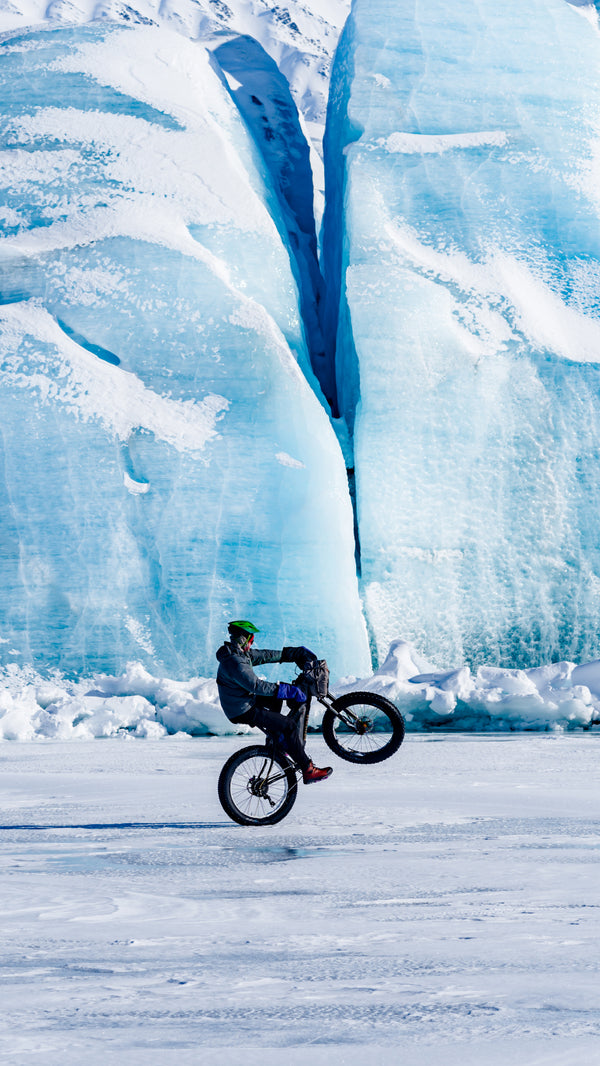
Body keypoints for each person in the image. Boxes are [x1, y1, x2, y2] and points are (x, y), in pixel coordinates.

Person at [216, 620, 333, 784]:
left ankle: (278, 743)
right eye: (251, 639)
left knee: (275, 699)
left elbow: (264, 655)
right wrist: (286, 690)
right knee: (289, 725)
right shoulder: (235, 662)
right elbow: (256, 686)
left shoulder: (237, 654)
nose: (252, 642)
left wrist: (291, 654)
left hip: (242, 701)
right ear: (245, 639)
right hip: (242, 709)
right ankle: (308, 770)